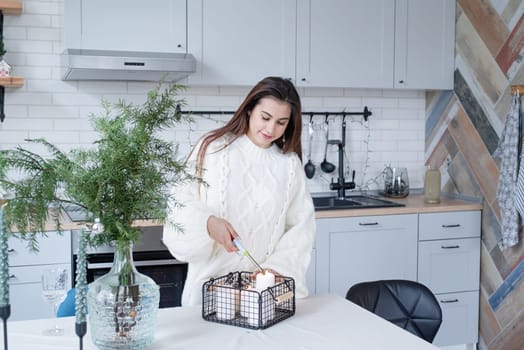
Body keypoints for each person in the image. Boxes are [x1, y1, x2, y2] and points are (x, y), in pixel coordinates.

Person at [163, 76, 316, 306]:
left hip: (262, 298)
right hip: (209, 295)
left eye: (281, 122)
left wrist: (276, 269)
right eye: (265, 117)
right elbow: (178, 203)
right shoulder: (213, 148)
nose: (270, 128)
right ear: (249, 110)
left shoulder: (289, 164)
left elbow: (300, 227)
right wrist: (207, 224)